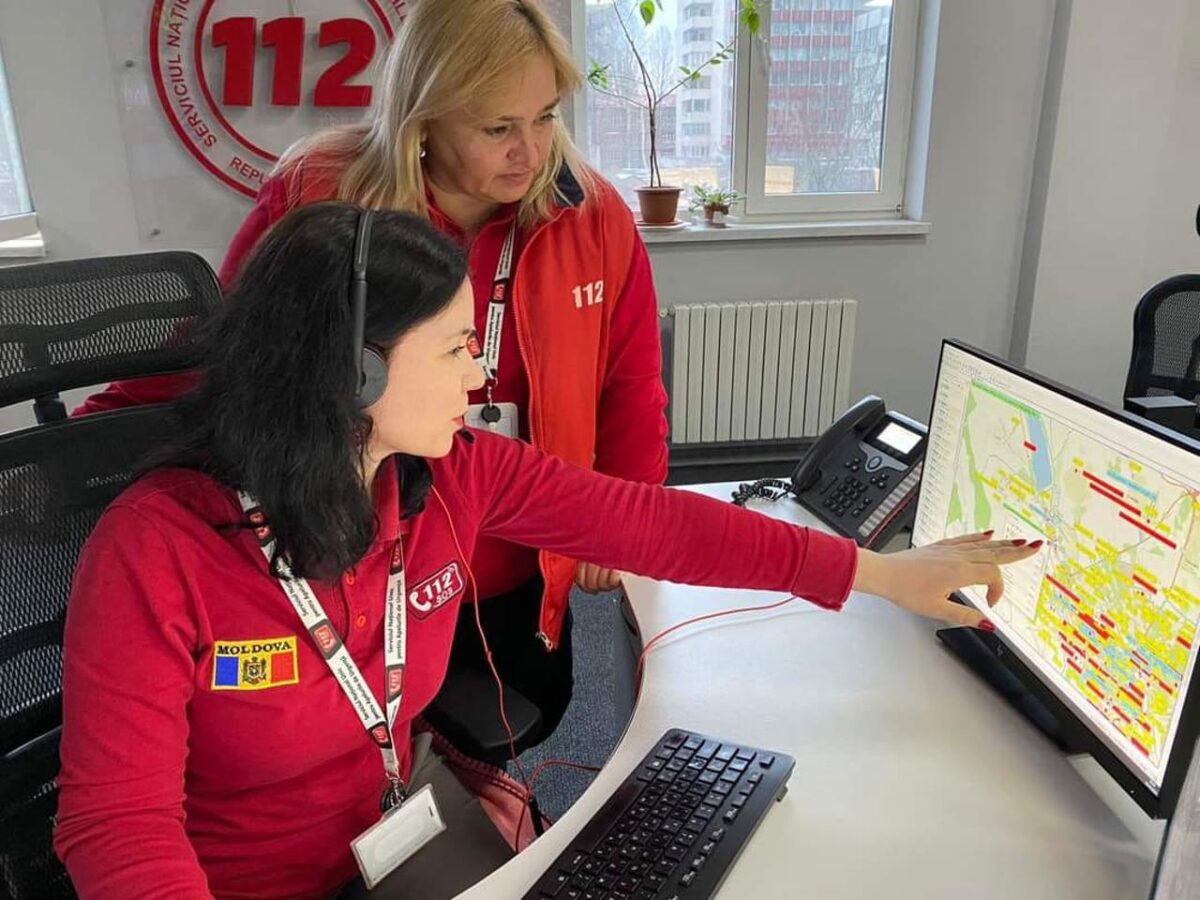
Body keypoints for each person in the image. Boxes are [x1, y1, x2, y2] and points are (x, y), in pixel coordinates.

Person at [56, 204, 1039, 900]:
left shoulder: (455, 472)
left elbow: (653, 524)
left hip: (405, 858)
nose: (480, 375)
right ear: (352, 375)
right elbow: (116, 827)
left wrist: (878, 573)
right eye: (455, 348)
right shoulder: (157, 548)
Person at [74, 0, 669, 741]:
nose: (532, 150)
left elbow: (630, 384)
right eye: (498, 128)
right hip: (357, 557)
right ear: (426, 116)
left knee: (524, 723)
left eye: (545, 117)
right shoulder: (323, 195)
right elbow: (223, 354)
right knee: (347, 741)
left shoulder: (593, 216)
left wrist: (629, 519)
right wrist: (71, 452)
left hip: (517, 552)